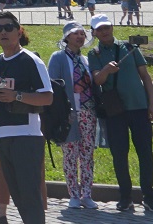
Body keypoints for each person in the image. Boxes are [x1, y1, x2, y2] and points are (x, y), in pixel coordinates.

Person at [0, 11, 53, 224]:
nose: (3, 32)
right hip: (3, 135)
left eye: (8, 27)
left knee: (30, 196)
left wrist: (17, 96)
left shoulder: (31, 61)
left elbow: (48, 97)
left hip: (27, 135)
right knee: (19, 196)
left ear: (19, 31)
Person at [88, 14, 153, 213]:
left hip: (138, 107)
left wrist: (151, 104)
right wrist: (105, 70)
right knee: (119, 155)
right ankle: (125, 196)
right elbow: (97, 80)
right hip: (115, 111)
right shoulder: (93, 54)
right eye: (99, 29)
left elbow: (145, 76)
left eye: (106, 27)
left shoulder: (129, 48)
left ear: (112, 27)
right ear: (94, 32)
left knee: (145, 153)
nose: (104, 32)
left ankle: (149, 196)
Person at [48, 23, 98, 209]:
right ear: (67, 37)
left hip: (88, 112)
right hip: (69, 114)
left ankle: (87, 193)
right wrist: (60, 113)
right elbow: (53, 87)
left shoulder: (85, 60)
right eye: (75, 33)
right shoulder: (58, 57)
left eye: (82, 34)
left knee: (87, 154)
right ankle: (73, 194)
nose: (80, 37)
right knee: (70, 154)